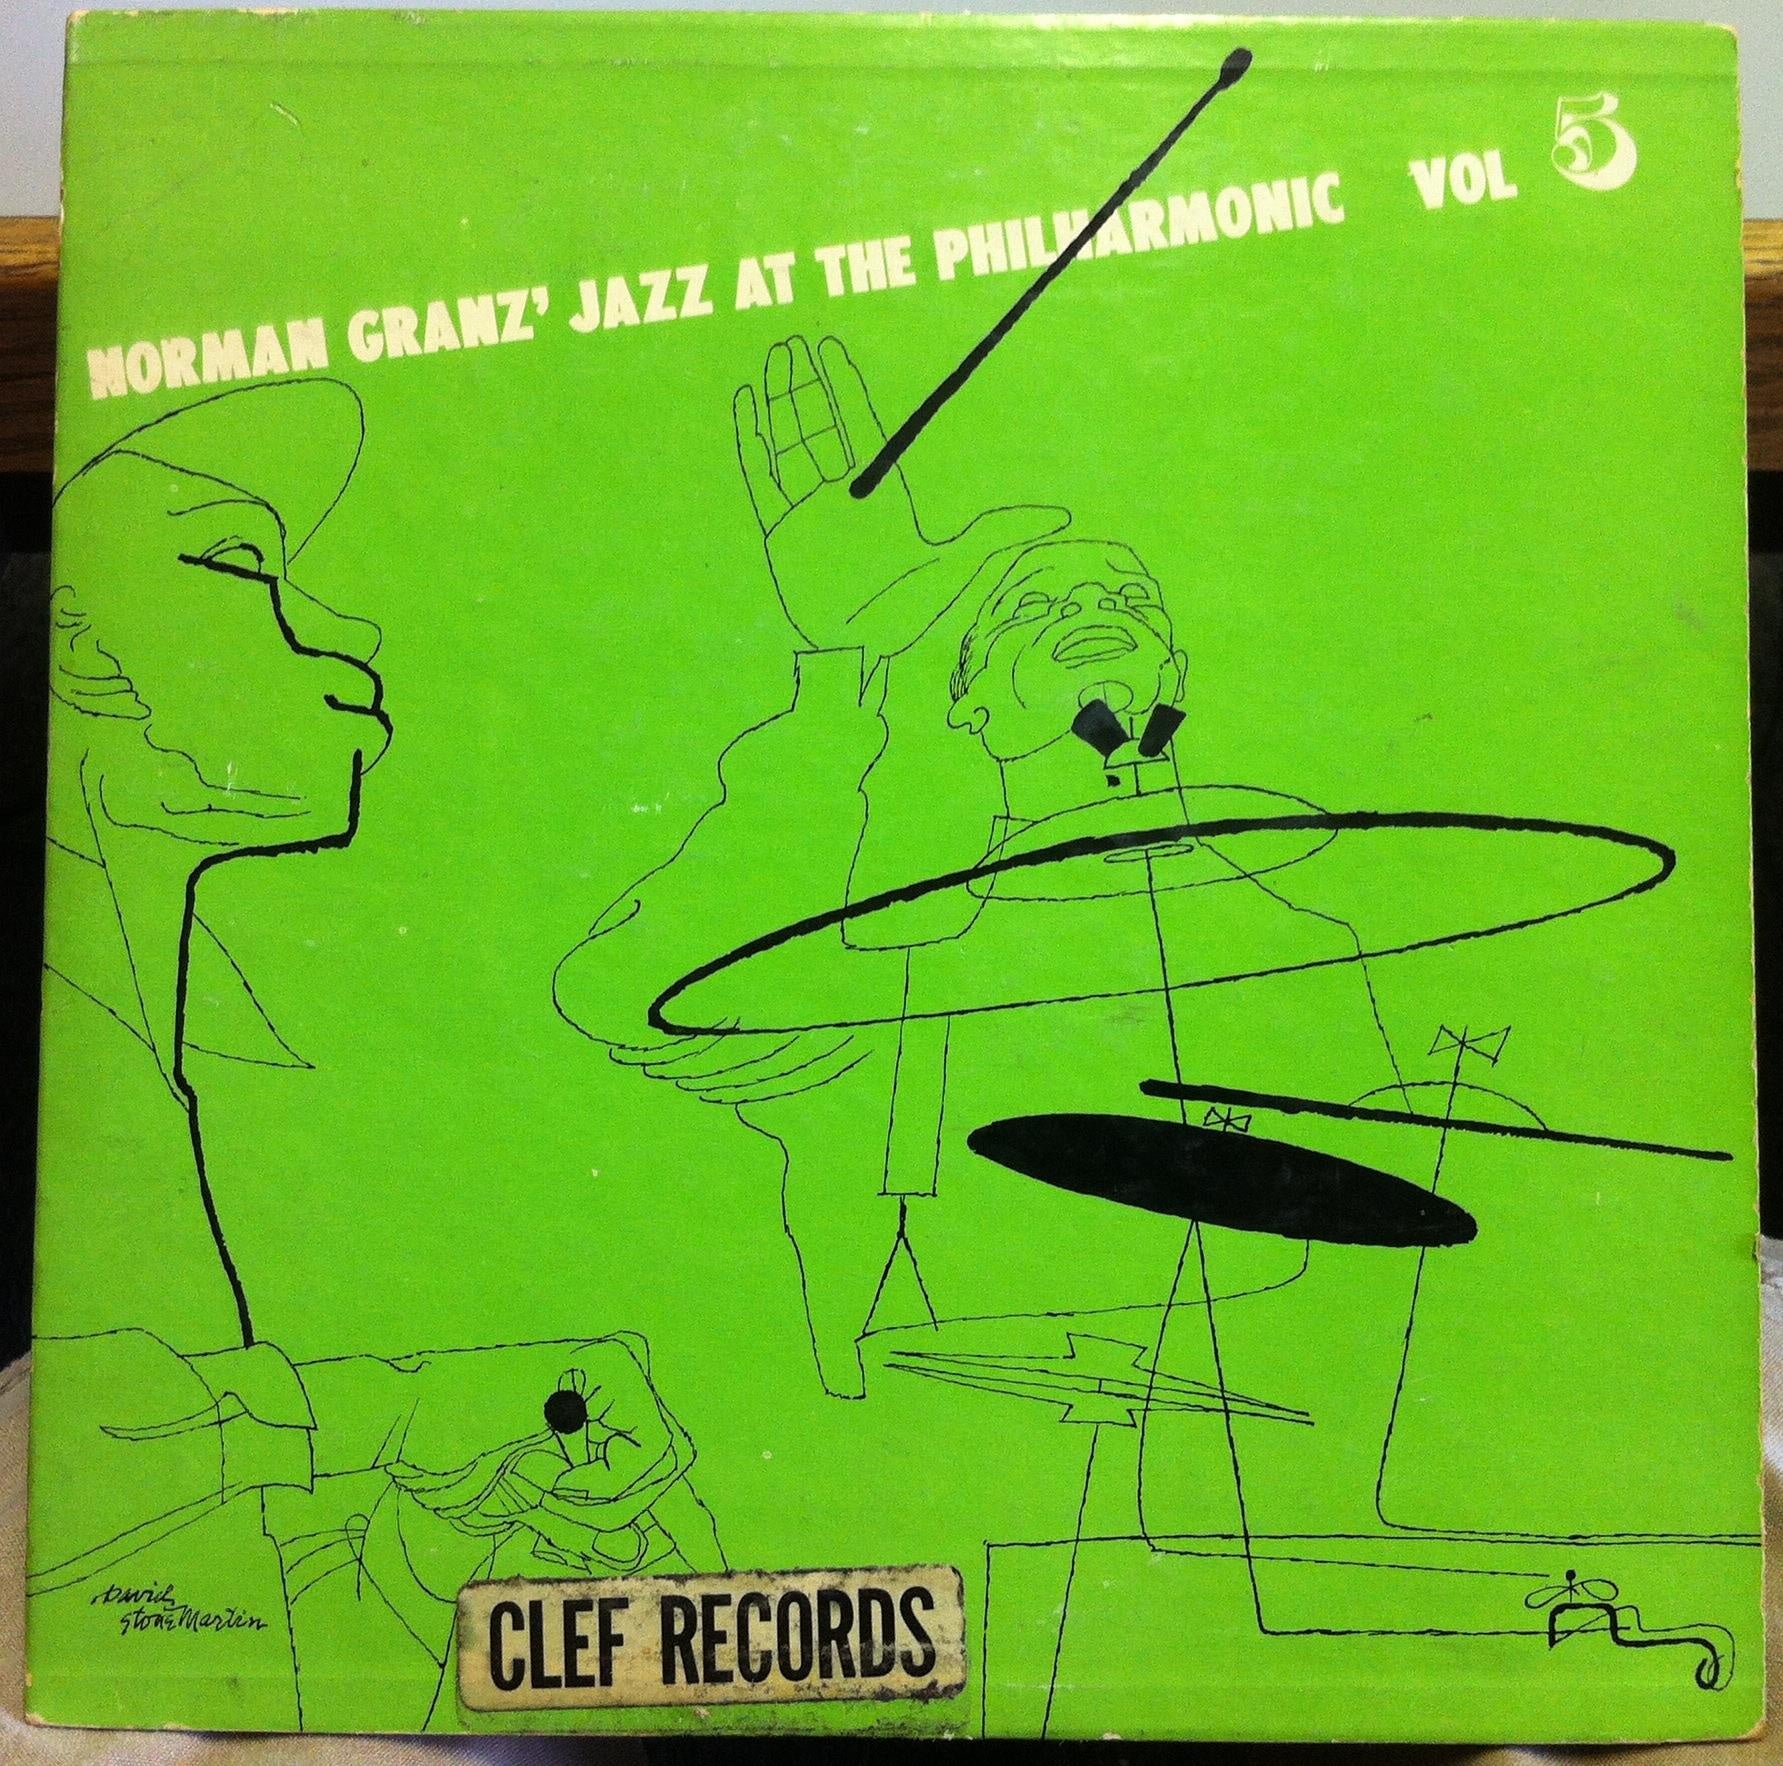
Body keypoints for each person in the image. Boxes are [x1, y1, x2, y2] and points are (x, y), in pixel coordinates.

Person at [29, 382, 721, 1734]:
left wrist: (439, 1477)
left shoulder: (160, 1050)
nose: (346, 636)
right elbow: (116, 1484)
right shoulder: (93, 1067)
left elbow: (191, 1540)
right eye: (241, 564)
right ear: (79, 643)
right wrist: (410, 1415)